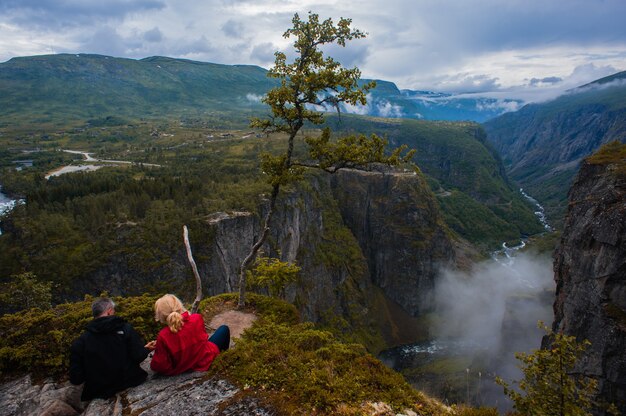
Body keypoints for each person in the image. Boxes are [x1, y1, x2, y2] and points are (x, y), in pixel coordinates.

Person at [69, 297, 150, 401]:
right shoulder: (125, 328)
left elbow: (76, 378)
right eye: (114, 311)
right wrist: (146, 349)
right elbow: (138, 356)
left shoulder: (81, 342)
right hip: (130, 381)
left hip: (99, 391)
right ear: (109, 311)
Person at [147, 294, 230, 376]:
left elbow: (159, 366)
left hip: (183, 368)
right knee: (223, 329)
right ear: (179, 306)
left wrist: (160, 347)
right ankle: (223, 358)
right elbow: (202, 340)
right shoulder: (196, 318)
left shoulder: (163, 335)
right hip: (204, 359)